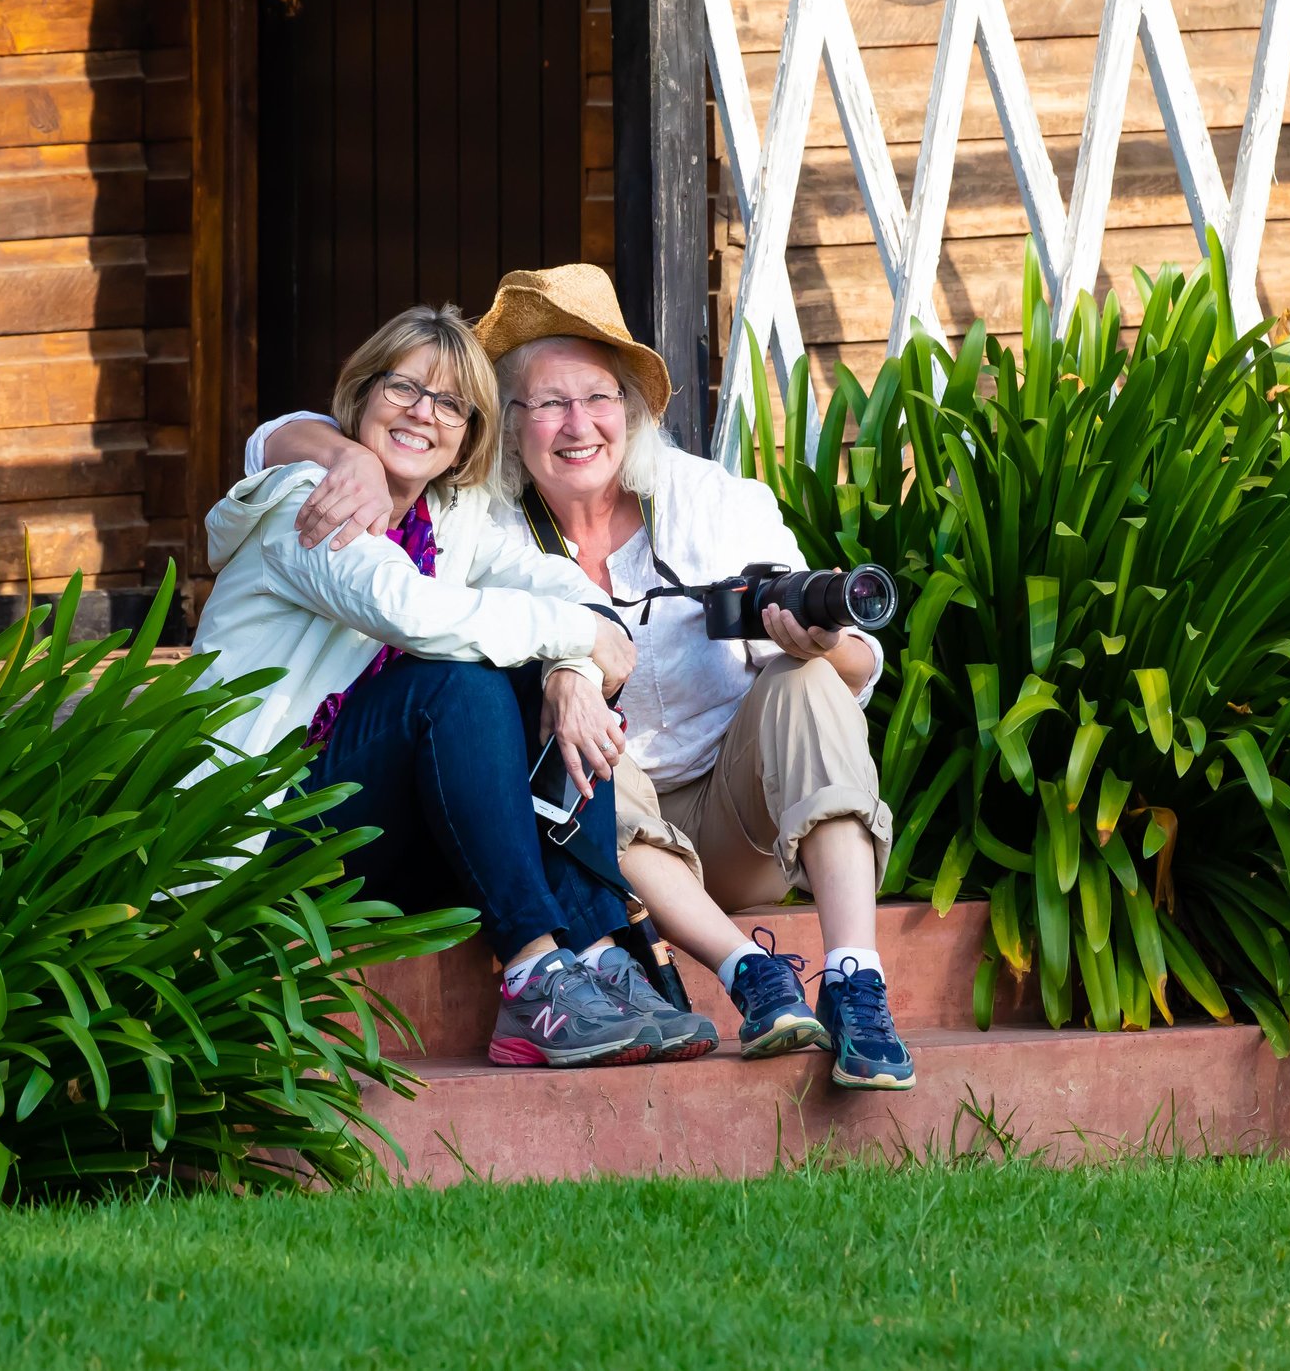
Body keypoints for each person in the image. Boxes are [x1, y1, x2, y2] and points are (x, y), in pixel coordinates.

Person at [248, 268, 915, 1091]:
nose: (577, 425)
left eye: (597, 398)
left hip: (735, 819)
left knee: (802, 679)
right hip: (608, 828)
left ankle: (856, 975)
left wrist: (812, 640)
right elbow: (410, 603)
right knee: (533, 707)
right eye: (548, 403)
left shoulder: (708, 501)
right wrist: (570, 667)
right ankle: (730, 972)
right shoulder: (456, 510)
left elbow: (855, 670)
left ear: (631, 411)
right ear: (512, 426)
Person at [188, 304, 720, 1069]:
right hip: (267, 837)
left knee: (549, 681)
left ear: (468, 433)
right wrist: (575, 639)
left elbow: (564, 586)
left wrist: (571, 673)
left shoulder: (452, 518)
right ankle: (537, 973)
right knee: (457, 684)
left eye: (449, 403)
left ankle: (601, 952)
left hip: (377, 836)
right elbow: (414, 613)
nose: (422, 414)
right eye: (404, 389)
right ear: (362, 396)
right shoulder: (307, 500)